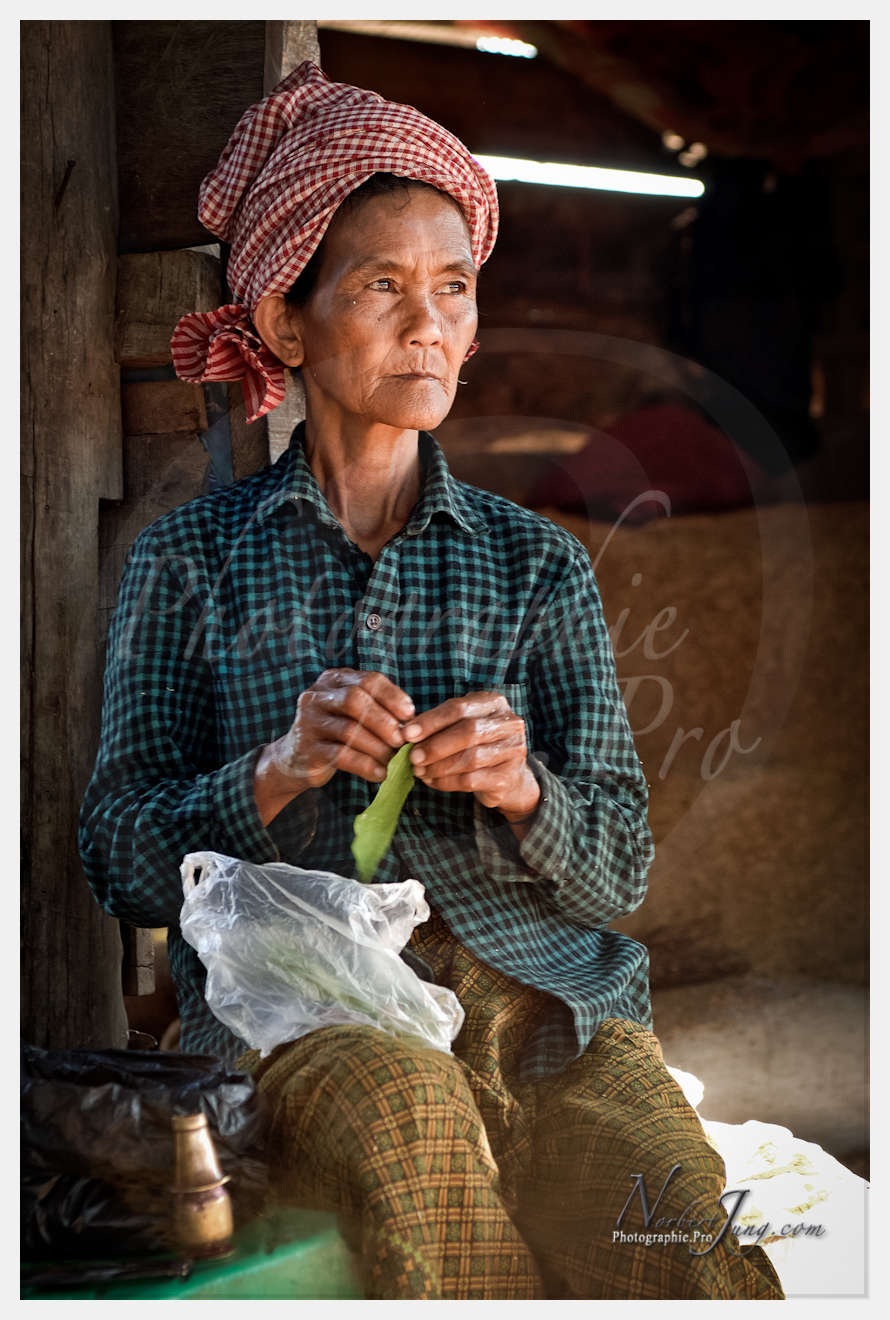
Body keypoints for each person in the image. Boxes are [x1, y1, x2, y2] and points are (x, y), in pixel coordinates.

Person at [79, 62, 784, 1301]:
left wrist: (523, 790)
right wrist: (274, 772)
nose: (431, 326)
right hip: (310, 1022)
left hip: (548, 1015)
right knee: (409, 1127)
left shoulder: (537, 566)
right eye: (383, 288)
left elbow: (618, 868)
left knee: (670, 1233)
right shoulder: (190, 562)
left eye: (453, 288)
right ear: (287, 326)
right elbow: (117, 854)